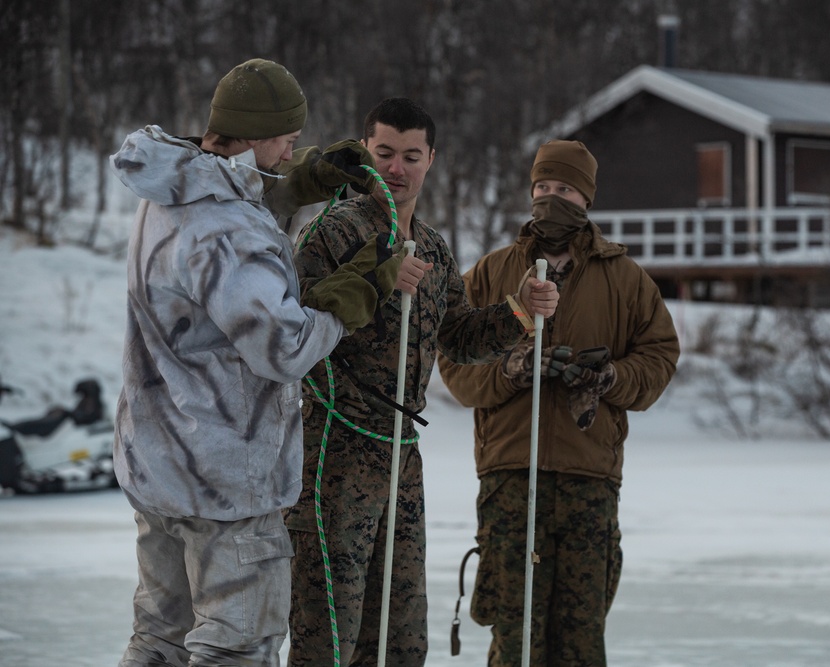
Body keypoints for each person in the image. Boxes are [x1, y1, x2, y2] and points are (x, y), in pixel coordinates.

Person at [110, 58, 402, 667]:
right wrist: (358, 289)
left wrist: (299, 183)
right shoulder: (228, 228)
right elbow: (285, 348)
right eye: (290, 139)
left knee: (160, 640)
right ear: (258, 132)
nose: (296, 146)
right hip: (226, 479)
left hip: (161, 467)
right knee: (236, 648)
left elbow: (223, 211)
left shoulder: (169, 192)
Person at [284, 97, 560, 666]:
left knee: (401, 633)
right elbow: (291, 327)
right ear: (365, 154)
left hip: (401, 457)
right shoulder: (330, 235)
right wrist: (376, 279)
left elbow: (456, 336)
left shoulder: (433, 247)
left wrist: (518, 313)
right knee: (329, 630)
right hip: (335, 453)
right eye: (384, 153)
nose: (397, 169)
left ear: (430, 159)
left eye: (411, 156)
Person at [438, 139, 681, 666]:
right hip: (509, 478)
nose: (552, 198)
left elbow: (660, 357)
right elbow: (454, 364)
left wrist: (611, 378)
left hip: (588, 478)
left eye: (565, 189)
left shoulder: (625, 279)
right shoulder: (493, 273)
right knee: (515, 635)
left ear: (586, 198)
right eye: (543, 187)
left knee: (579, 637)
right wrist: (509, 369)